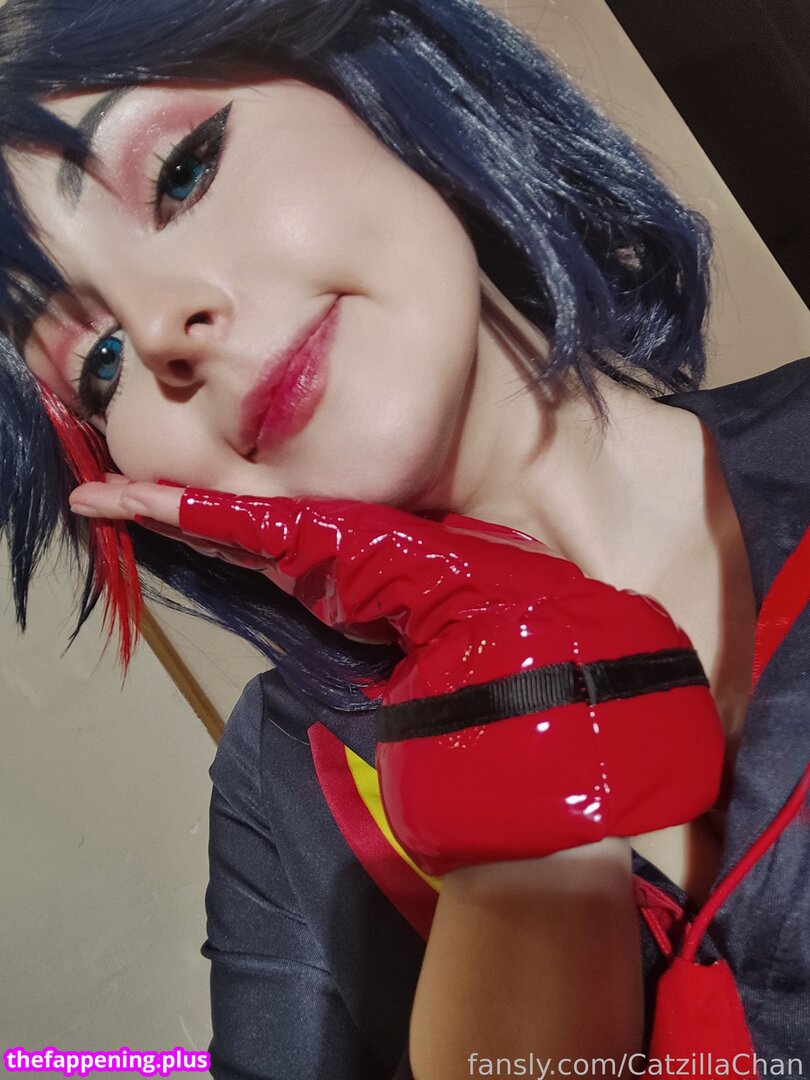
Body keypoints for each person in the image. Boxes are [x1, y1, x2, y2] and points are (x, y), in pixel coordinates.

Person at [0, 1, 807, 1077]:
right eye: (98, 366)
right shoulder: (284, 777)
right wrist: (512, 689)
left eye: (182, 174)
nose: (157, 331)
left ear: (378, 93)